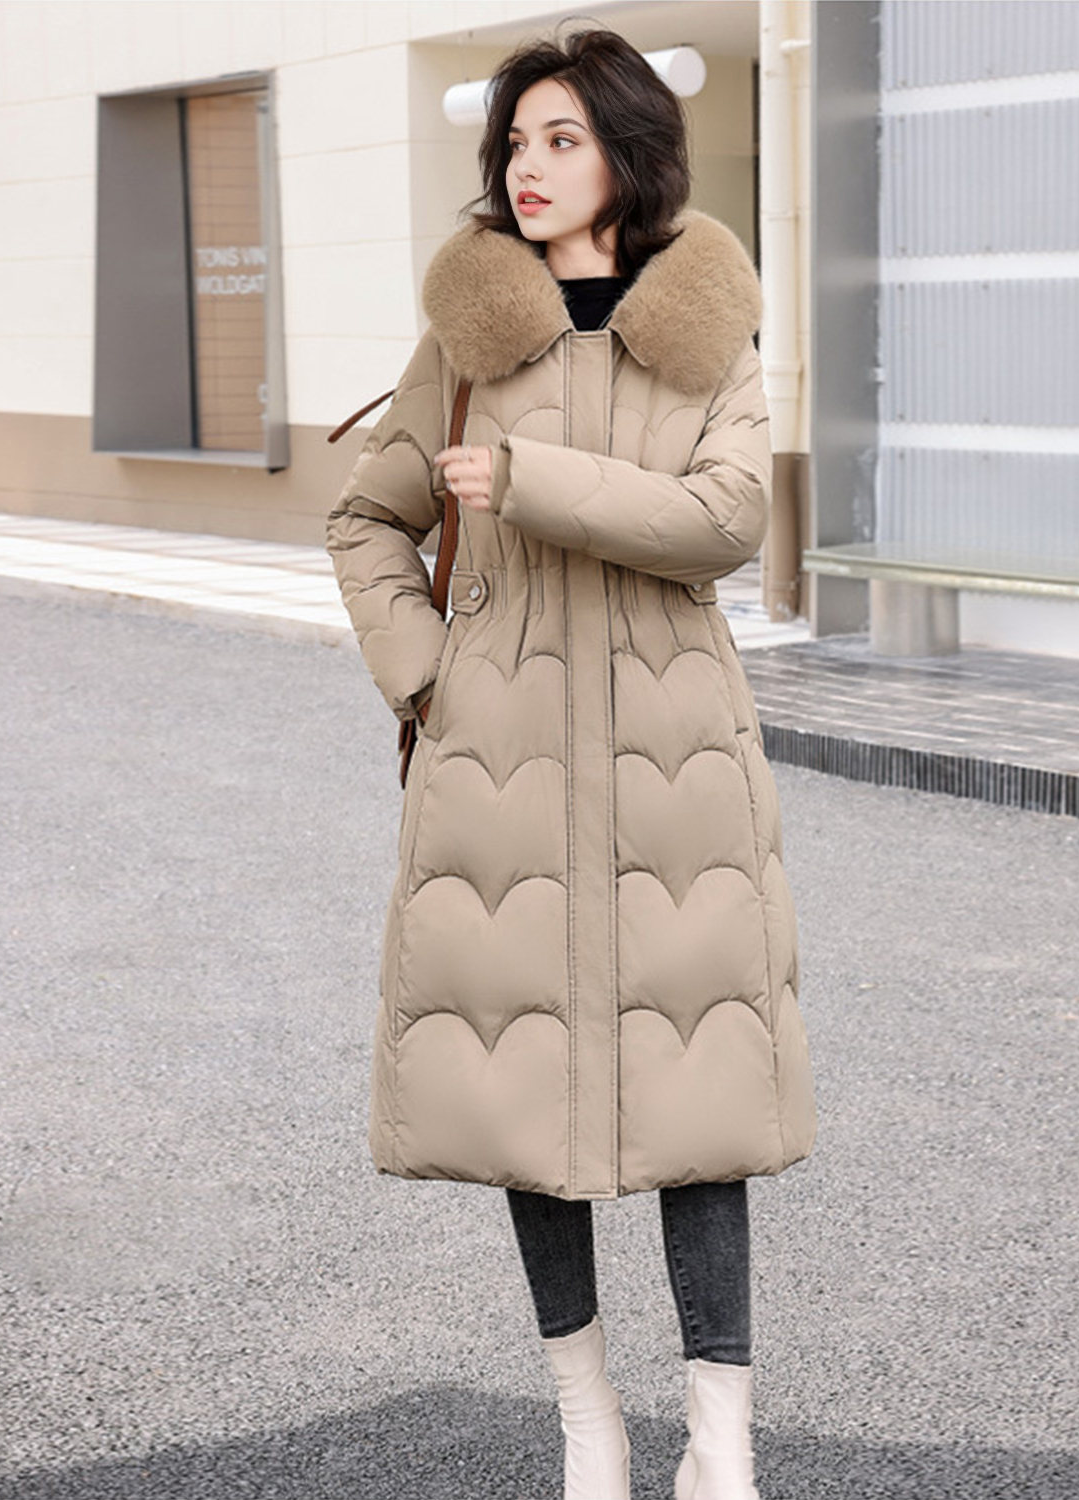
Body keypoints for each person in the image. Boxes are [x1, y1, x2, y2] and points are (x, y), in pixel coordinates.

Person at [326, 27, 816, 1500]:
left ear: (627, 152)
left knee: (700, 1102)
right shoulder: (468, 340)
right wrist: (432, 676)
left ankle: (720, 1440)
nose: (527, 167)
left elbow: (726, 522)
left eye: (561, 139)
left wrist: (530, 481)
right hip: (503, 769)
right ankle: (586, 1422)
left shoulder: (710, 333)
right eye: (515, 143)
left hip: (680, 772)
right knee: (524, 1096)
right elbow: (366, 521)